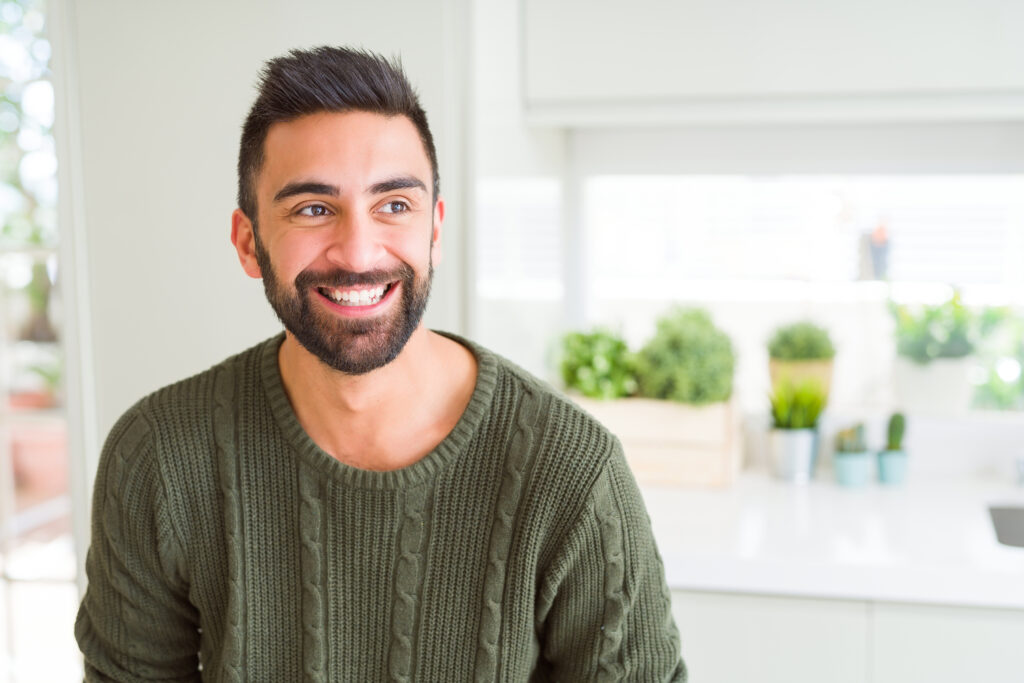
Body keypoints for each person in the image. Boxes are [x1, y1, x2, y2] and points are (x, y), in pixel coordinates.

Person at [75, 46, 686, 682]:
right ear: (249, 241)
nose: (360, 251)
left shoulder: (572, 473)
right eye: (313, 208)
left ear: (435, 230)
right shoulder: (159, 457)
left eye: (394, 204)